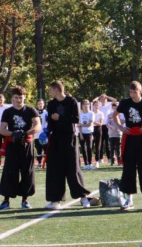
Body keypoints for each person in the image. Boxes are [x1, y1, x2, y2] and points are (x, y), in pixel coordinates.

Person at [45, 81, 92, 209]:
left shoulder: (71, 101)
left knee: (73, 168)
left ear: (56, 89)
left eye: (50, 89)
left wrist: (59, 118)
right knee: (55, 169)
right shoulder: (51, 104)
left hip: (69, 138)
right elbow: (50, 121)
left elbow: (76, 120)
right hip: (55, 139)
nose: (49, 92)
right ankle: (55, 200)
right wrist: (46, 131)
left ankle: (83, 198)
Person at [114, 81, 142, 211]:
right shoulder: (125, 102)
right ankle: (129, 199)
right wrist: (120, 127)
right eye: (131, 92)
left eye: (135, 92)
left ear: (140, 91)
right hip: (129, 139)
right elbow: (114, 115)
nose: (133, 94)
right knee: (128, 169)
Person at [0, 86, 41, 210]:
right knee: (9, 172)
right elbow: (2, 130)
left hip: (26, 144)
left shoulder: (30, 110)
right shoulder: (8, 112)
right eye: (16, 98)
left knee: (27, 172)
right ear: (12, 98)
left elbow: (38, 126)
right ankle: (6, 200)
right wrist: (13, 134)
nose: (18, 100)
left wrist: (26, 133)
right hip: (12, 144)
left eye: (20, 98)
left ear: (24, 97)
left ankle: (25, 200)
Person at [78, 100, 95, 170]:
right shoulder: (80, 114)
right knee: (83, 149)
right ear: (82, 106)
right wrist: (81, 134)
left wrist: (82, 125)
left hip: (89, 133)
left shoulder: (91, 113)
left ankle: (90, 163)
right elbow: (78, 125)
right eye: (85, 104)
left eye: (87, 104)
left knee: (89, 148)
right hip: (82, 133)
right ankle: (85, 163)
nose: (86, 105)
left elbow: (89, 124)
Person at [92, 101, 104, 167]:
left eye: (98, 105)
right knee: (90, 145)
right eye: (95, 105)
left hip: (98, 129)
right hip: (91, 129)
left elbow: (100, 123)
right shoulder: (91, 113)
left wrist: (93, 122)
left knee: (98, 145)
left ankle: (97, 160)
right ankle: (89, 161)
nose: (96, 106)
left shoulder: (101, 113)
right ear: (93, 106)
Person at [35, 99, 47, 167]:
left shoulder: (46, 112)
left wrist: (46, 131)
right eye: (39, 104)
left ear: (43, 104)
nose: (40, 105)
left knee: (45, 149)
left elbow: (47, 122)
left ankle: (45, 162)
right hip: (37, 134)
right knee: (38, 149)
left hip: (44, 134)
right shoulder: (35, 112)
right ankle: (39, 162)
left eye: (41, 104)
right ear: (37, 105)